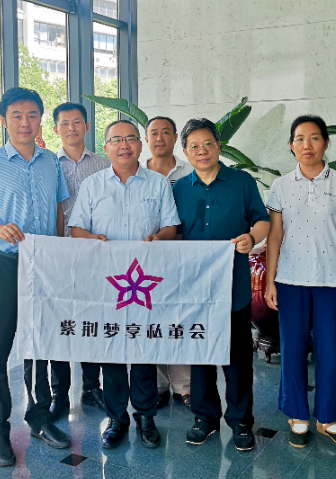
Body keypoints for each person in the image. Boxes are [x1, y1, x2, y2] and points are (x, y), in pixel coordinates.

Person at [0, 87, 72, 466]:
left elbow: (59, 209)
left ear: (40, 120)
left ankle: (39, 417)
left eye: (32, 115)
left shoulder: (51, 162)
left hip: (45, 263)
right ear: (4, 120)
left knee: (40, 343)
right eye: (16, 115)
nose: (25, 122)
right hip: (7, 265)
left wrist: (58, 250)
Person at [69, 119, 180, 449]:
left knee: (144, 348)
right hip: (106, 282)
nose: (124, 145)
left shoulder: (158, 184)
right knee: (112, 350)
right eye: (116, 140)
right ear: (106, 148)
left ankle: (146, 416)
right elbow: (77, 228)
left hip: (146, 281)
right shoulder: (92, 185)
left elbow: (171, 226)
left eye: (130, 138)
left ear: (140, 145)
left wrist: (159, 237)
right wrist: (92, 238)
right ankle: (117, 417)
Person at [173, 118, 270, 452]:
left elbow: (262, 220)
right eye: (194, 146)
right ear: (185, 152)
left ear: (219, 146)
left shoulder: (241, 182)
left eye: (208, 144)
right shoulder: (179, 189)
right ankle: (204, 418)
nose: (202, 151)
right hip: (195, 288)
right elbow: (173, 232)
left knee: (238, 356)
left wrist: (251, 238)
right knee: (199, 353)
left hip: (233, 285)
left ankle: (241, 420)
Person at [264, 115, 336, 449]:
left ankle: (328, 418)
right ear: (291, 145)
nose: (307, 145)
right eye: (300, 139)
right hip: (290, 280)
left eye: (315, 138)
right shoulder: (281, 186)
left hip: (332, 280)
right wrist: (270, 281)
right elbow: (275, 236)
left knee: (329, 351)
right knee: (292, 350)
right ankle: (297, 415)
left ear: (326, 143)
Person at [48, 102, 110, 417]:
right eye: (65, 123)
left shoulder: (104, 164)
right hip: (57, 254)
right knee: (59, 324)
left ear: (87, 126)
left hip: (92, 253)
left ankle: (91, 387)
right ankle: (59, 394)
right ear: (56, 129)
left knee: (91, 321)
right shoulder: (46, 164)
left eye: (77, 122)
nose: (71, 128)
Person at [142, 115, 194, 408]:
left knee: (178, 319)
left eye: (166, 132)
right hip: (147, 260)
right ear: (146, 139)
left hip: (181, 257)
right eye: (154, 133)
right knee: (151, 319)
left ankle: (184, 386)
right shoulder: (137, 172)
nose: (159, 138)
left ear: (175, 138)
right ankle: (159, 385)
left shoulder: (190, 171)